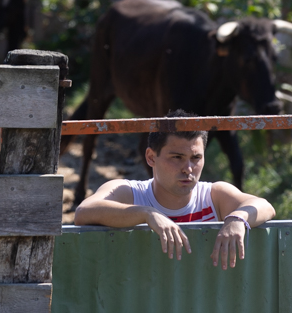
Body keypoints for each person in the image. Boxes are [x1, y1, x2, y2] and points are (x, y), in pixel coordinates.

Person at [73, 109, 275, 269]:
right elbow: (83, 212)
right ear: (151, 157)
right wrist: (147, 213)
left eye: (196, 158)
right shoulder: (130, 192)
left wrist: (238, 218)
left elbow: (264, 206)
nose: (188, 169)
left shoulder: (213, 196)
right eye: (177, 157)